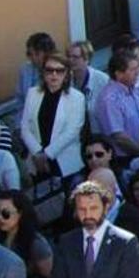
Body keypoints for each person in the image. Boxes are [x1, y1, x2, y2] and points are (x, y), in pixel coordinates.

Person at [21, 53, 87, 184]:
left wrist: (47, 154)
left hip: (66, 161)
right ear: (43, 72)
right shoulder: (32, 93)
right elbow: (25, 127)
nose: (54, 75)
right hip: (37, 161)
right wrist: (37, 152)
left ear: (67, 73)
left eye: (60, 70)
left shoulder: (76, 97)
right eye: (49, 70)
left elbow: (72, 131)